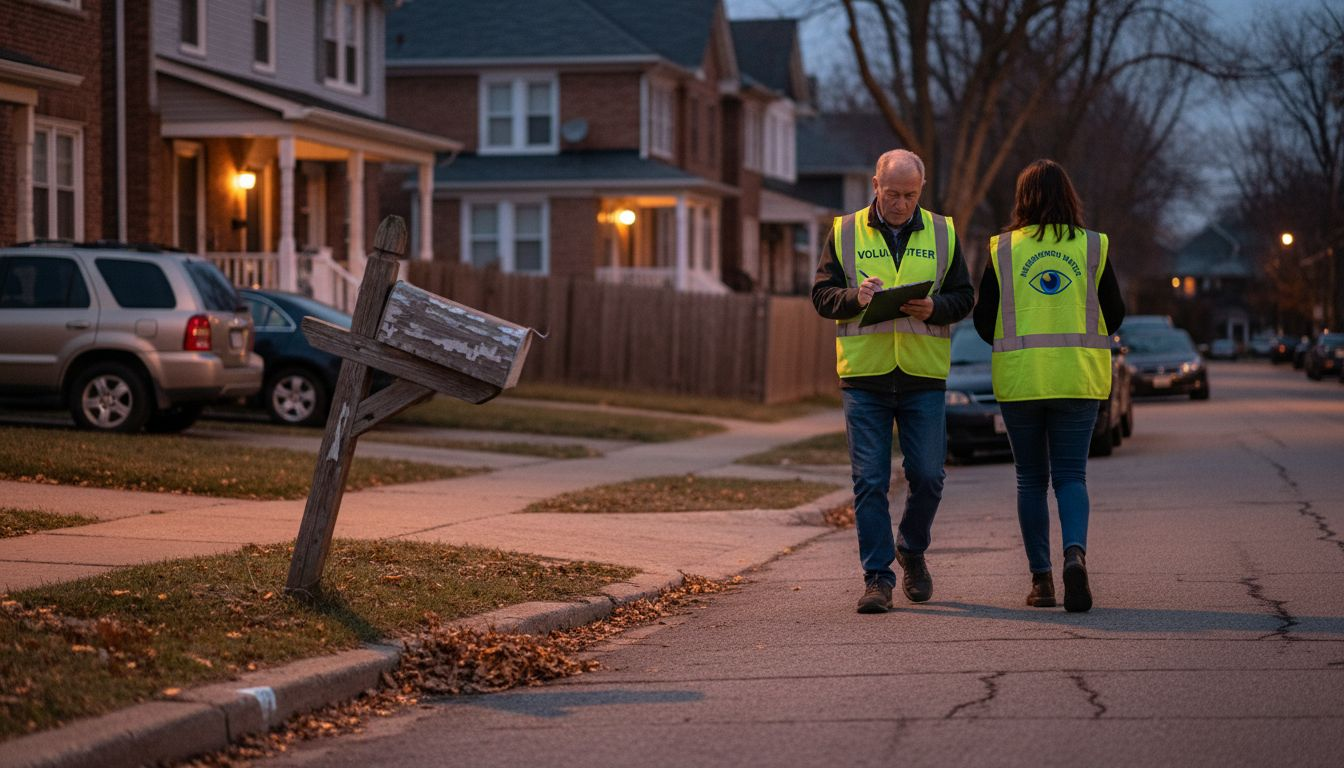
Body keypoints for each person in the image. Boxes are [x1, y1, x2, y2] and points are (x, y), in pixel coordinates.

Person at [812, 149, 974, 614]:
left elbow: (963, 296)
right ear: (875, 185)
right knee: (870, 481)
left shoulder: (943, 232)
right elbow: (822, 297)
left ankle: (912, 548)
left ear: (920, 191)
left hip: (923, 374)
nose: (901, 203)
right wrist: (854, 297)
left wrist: (935, 308)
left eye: (910, 194)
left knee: (928, 476)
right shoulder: (844, 231)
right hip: (865, 377)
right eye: (893, 193)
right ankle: (877, 578)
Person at [973, 159, 1126, 613]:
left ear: (1022, 199)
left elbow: (984, 321)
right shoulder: (1093, 246)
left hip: (1021, 381)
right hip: (1078, 378)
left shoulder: (1003, 249)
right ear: (1069, 196)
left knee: (1030, 480)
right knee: (1071, 476)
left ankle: (1041, 582)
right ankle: (1074, 554)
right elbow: (1114, 312)